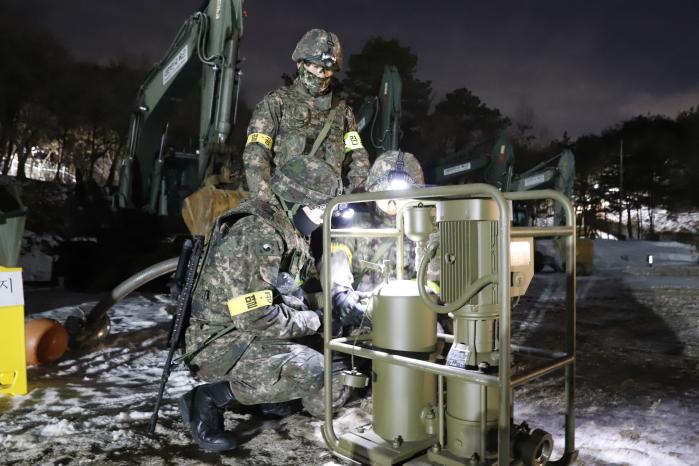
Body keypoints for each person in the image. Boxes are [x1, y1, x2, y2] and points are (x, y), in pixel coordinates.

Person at [179, 157, 362, 452]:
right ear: (295, 202)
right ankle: (209, 398)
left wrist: (335, 304)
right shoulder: (259, 233)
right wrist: (316, 320)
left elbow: (291, 292)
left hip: (247, 334)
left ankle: (262, 392)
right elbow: (255, 317)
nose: (320, 219)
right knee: (311, 369)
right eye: (319, 210)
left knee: (327, 363)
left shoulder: (287, 230)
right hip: (221, 344)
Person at [243, 28, 370, 201]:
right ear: (300, 63)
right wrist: (266, 199)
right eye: (316, 66)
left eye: (327, 69)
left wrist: (355, 197)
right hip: (285, 204)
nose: (321, 73)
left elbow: (358, 157)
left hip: (329, 207)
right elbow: (256, 153)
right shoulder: (277, 102)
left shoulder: (343, 113)